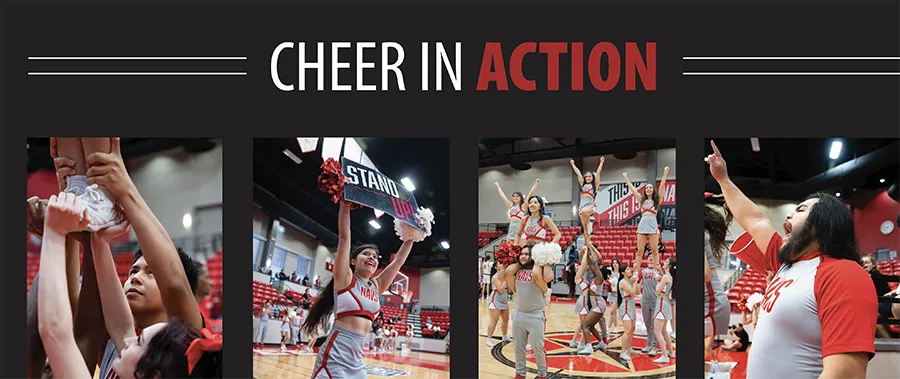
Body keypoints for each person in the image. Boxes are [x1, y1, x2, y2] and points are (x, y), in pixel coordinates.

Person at [707, 140, 877, 379]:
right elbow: (756, 220)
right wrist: (723, 179)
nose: (787, 214)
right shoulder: (785, 263)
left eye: (800, 210)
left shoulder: (844, 274)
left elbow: (845, 374)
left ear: (820, 225)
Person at [37, 192, 223, 379]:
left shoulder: (181, 339)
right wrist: (100, 241)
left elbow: (55, 330)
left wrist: (54, 232)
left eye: (139, 342)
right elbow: (120, 326)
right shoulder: (156, 362)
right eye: (133, 271)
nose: (129, 340)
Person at [303, 201, 416, 378]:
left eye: (374, 256)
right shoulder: (345, 278)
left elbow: (399, 261)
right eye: (366, 254)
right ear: (353, 261)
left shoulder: (377, 285)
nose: (371, 257)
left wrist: (413, 234)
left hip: (357, 361)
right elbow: (344, 238)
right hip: (334, 357)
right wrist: (344, 204)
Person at [505, 245, 553, 379]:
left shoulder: (539, 270)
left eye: (527, 254)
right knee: (518, 347)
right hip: (519, 313)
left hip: (536, 314)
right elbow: (508, 271)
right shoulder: (517, 270)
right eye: (521, 253)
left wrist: (537, 258)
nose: (523, 256)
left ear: (534, 256)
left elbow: (539, 275)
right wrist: (520, 260)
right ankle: (520, 373)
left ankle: (542, 374)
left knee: (537, 347)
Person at [622, 166, 669, 271]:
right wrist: (626, 178)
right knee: (640, 251)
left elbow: (662, 186)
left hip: (652, 225)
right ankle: (636, 272)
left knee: (654, 250)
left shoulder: (657, 201)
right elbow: (633, 190)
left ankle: (657, 271)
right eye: (647, 188)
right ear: (645, 190)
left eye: (650, 187)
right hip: (642, 226)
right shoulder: (641, 200)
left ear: (653, 190)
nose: (648, 189)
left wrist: (665, 173)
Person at [574, 243, 609, 355]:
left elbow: (594, 263)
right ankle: (601, 343)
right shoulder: (593, 280)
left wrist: (590, 248)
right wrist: (585, 251)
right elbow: (588, 263)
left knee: (585, 325)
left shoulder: (599, 279)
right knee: (592, 326)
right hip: (595, 304)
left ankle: (589, 347)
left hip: (598, 304)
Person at [862, 254, 897, 338]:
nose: (864, 265)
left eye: (867, 262)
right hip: (876, 303)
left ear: (873, 265)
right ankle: (889, 342)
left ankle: (890, 342)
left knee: (870, 311)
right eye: (862, 263)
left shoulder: (878, 277)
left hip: (886, 301)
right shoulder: (862, 277)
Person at [570, 157, 605, 239]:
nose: (588, 178)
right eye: (586, 177)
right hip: (581, 206)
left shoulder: (594, 185)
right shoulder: (582, 184)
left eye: (590, 176)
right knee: (585, 232)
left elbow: (598, 173)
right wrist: (572, 164)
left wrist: (601, 162)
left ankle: (590, 222)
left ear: (593, 177)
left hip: (590, 205)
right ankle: (587, 241)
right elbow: (578, 173)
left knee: (584, 213)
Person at [652, 258, 676, 363]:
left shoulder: (666, 277)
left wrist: (658, 281)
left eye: (666, 262)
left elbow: (657, 291)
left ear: (669, 265)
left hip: (662, 303)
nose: (664, 263)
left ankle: (665, 356)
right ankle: (670, 352)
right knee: (664, 330)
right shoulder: (669, 276)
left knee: (657, 331)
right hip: (666, 303)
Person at [615, 263, 640, 361]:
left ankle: (629, 348)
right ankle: (623, 351)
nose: (630, 270)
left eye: (630, 268)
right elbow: (632, 293)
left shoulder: (630, 280)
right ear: (623, 272)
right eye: (628, 269)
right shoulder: (623, 282)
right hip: (625, 306)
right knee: (627, 330)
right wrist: (634, 282)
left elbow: (638, 292)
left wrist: (636, 281)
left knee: (632, 328)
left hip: (631, 305)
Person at [486, 261, 511, 347]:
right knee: (494, 321)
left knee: (506, 319)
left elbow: (509, 290)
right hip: (495, 299)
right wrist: (506, 281)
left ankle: (504, 336)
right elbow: (500, 289)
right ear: (496, 267)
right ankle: (488, 339)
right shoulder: (495, 277)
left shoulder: (506, 275)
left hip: (504, 299)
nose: (502, 264)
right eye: (500, 263)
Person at [605, 258, 621, 334]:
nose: (615, 264)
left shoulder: (620, 274)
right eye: (613, 263)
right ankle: (616, 327)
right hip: (611, 294)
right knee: (614, 313)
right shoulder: (610, 273)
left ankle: (608, 328)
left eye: (616, 263)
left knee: (612, 312)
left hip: (617, 295)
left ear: (618, 264)